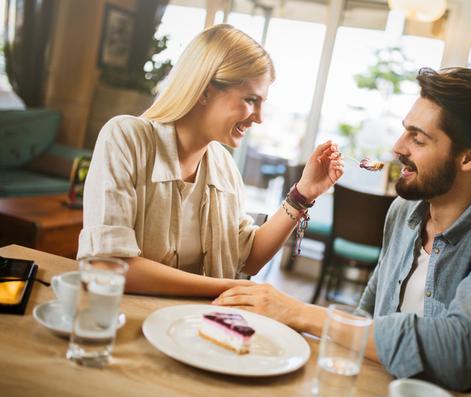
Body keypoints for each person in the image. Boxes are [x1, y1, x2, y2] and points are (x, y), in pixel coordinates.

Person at [213, 67, 471, 391]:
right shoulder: (404, 211)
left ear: (470, 157)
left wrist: (300, 312)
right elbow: (367, 317)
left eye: (418, 139)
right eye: (405, 129)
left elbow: (459, 356)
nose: (398, 147)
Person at [77, 24, 343, 297]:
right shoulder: (126, 137)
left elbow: (247, 255)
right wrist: (230, 288)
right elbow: (109, 264)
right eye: (251, 100)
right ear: (204, 90)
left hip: (188, 327)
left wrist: (303, 193)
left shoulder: (223, 166)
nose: (259, 117)